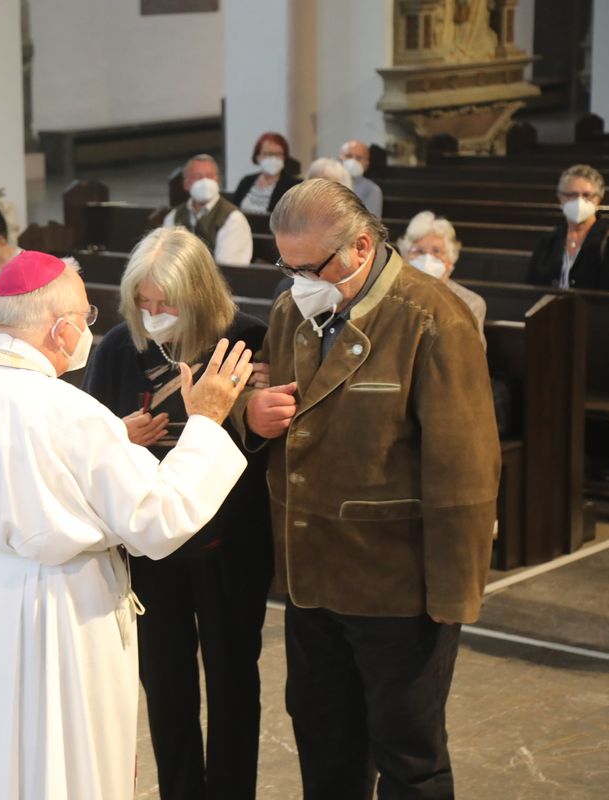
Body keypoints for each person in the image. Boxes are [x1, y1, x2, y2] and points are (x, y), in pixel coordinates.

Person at [0, 250, 256, 800]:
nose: (89, 329)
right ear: (60, 327)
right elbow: (157, 519)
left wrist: (110, 440)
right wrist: (208, 422)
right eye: (87, 317)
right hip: (60, 610)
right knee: (61, 756)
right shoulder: (67, 411)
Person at [236, 179, 500, 799]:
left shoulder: (431, 318)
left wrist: (455, 593)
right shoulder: (291, 311)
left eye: (309, 267)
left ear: (360, 246)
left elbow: (464, 468)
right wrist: (251, 411)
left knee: (408, 752)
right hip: (310, 578)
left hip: (395, 586)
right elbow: (270, 410)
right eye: (286, 265)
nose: (296, 280)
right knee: (325, 742)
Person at [83, 228, 272, 800]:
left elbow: (272, 446)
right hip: (152, 548)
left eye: (167, 303)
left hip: (230, 541)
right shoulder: (120, 347)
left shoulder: (245, 341)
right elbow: (89, 439)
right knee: (165, 684)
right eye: (144, 302)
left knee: (233, 677)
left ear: (200, 294)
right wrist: (122, 436)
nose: (155, 313)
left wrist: (250, 419)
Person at [525, 164, 609, 291]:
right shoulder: (547, 241)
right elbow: (530, 288)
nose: (579, 201)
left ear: (598, 199)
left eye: (587, 195)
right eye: (571, 195)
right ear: (560, 198)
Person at [398, 210, 487, 336]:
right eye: (419, 251)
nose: (428, 258)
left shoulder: (470, 303)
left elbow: (473, 353)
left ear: (450, 259)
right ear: (405, 258)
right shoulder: (394, 297)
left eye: (437, 251)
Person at [163, 154, 253, 266]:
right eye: (197, 177)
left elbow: (228, 268)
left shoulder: (233, 219)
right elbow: (166, 259)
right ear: (186, 184)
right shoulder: (173, 216)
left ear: (217, 180)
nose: (205, 182)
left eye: (209, 176)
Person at [231, 132, 301, 216]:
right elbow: (232, 210)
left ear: (284, 157)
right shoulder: (246, 181)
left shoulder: (292, 186)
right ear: (258, 156)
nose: (273, 159)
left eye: (278, 154)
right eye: (268, 154)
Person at [339, 139, 384, 217]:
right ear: (339, 158)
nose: (353, 161)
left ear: (367, 164)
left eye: (359, 158)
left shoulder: (372, 190)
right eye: (348, 156)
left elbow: (371, 225)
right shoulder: (328, 182)